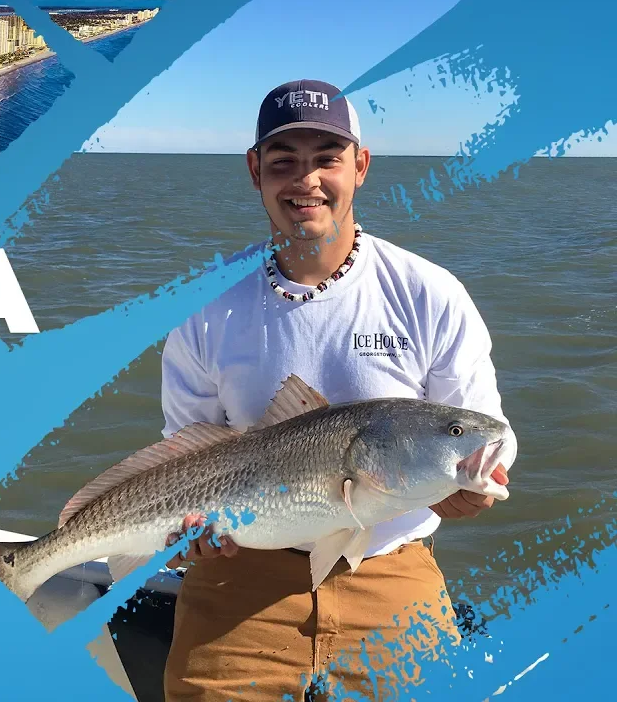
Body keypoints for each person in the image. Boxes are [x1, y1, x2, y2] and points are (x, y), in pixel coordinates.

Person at [158, 79, 518, 702]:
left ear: (361, 165)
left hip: (390, 573)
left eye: (327, 157)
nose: (307, 181)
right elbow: (184, 453)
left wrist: (479, 487)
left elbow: (485, 432)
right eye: (284, 163)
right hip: (235, 581)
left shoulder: (428, 294)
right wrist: (186, 536)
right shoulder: (204, 311)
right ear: (255, 172)